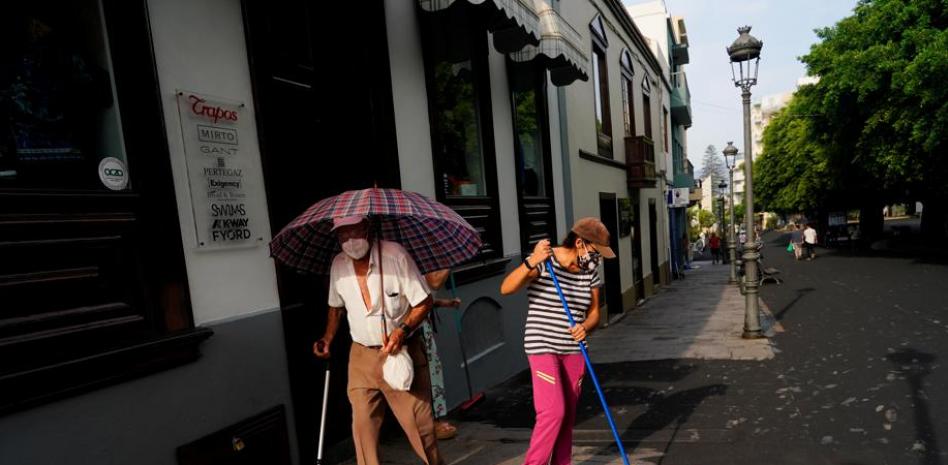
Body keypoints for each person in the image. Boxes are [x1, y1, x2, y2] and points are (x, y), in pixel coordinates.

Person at [313, 216, 443, 465]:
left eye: (354, 231)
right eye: (343, 234)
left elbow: (424, 302)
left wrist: (402, 330)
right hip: (361, 356)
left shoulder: (395, 256)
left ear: (368, 229)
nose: (350, 240)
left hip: (400, 352)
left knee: (421, 428)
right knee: (363, 429)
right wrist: (328, 337)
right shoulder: (338, 264)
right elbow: (335, 307)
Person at [499, 217, 615, 465]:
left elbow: (595, 313)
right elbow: (506, 288)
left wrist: (585, 327)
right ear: (580, 243)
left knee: (568, 415)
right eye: (596, 252)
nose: (597, 259)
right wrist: (532, 261)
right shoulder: (545, 261)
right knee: (553, 412)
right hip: (543, 345)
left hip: (574, 349)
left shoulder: (589, 272)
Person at [422, 269, 462, 440]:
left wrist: (445, 303)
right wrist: (449, 264)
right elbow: (434, 282)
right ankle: (432, 422)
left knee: (432, 371)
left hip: (422, 321)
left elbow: (425, 296)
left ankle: (434, 419)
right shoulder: (416, 263)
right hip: (416, 326)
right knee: (429, 373)